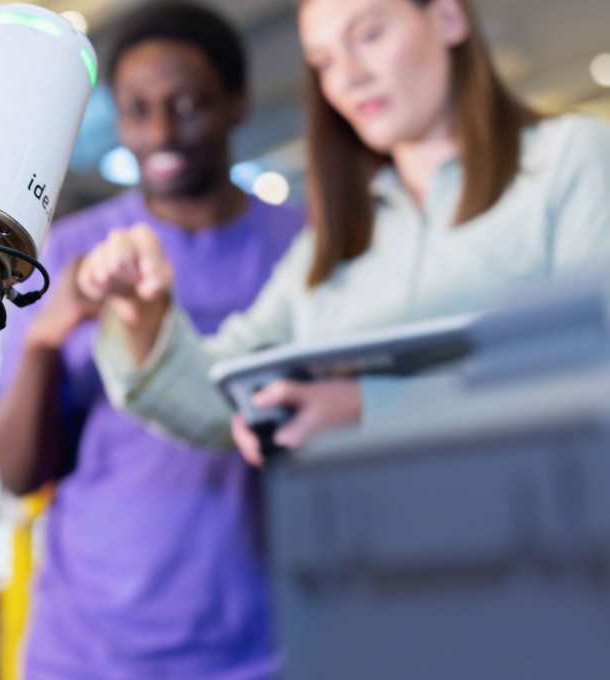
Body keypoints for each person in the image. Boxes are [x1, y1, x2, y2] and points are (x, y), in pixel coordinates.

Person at [77, 0, 610, 466]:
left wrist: (366, 407)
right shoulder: (332, 242)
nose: (348, 77)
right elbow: (224, 396)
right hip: (375, 565)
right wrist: (143, 314)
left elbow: (593, 369)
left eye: (369, 35)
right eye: (324, 61)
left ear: (447, 17)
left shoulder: (569, 161)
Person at [0, 3, 303, 678]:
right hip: (88, 647)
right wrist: (47, 331)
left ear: (236, 103)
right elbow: (17, 473)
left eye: (186, 104)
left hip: (264, 639)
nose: (159, 131)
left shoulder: (304, 246)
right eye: (136, 109)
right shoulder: (70, 252)